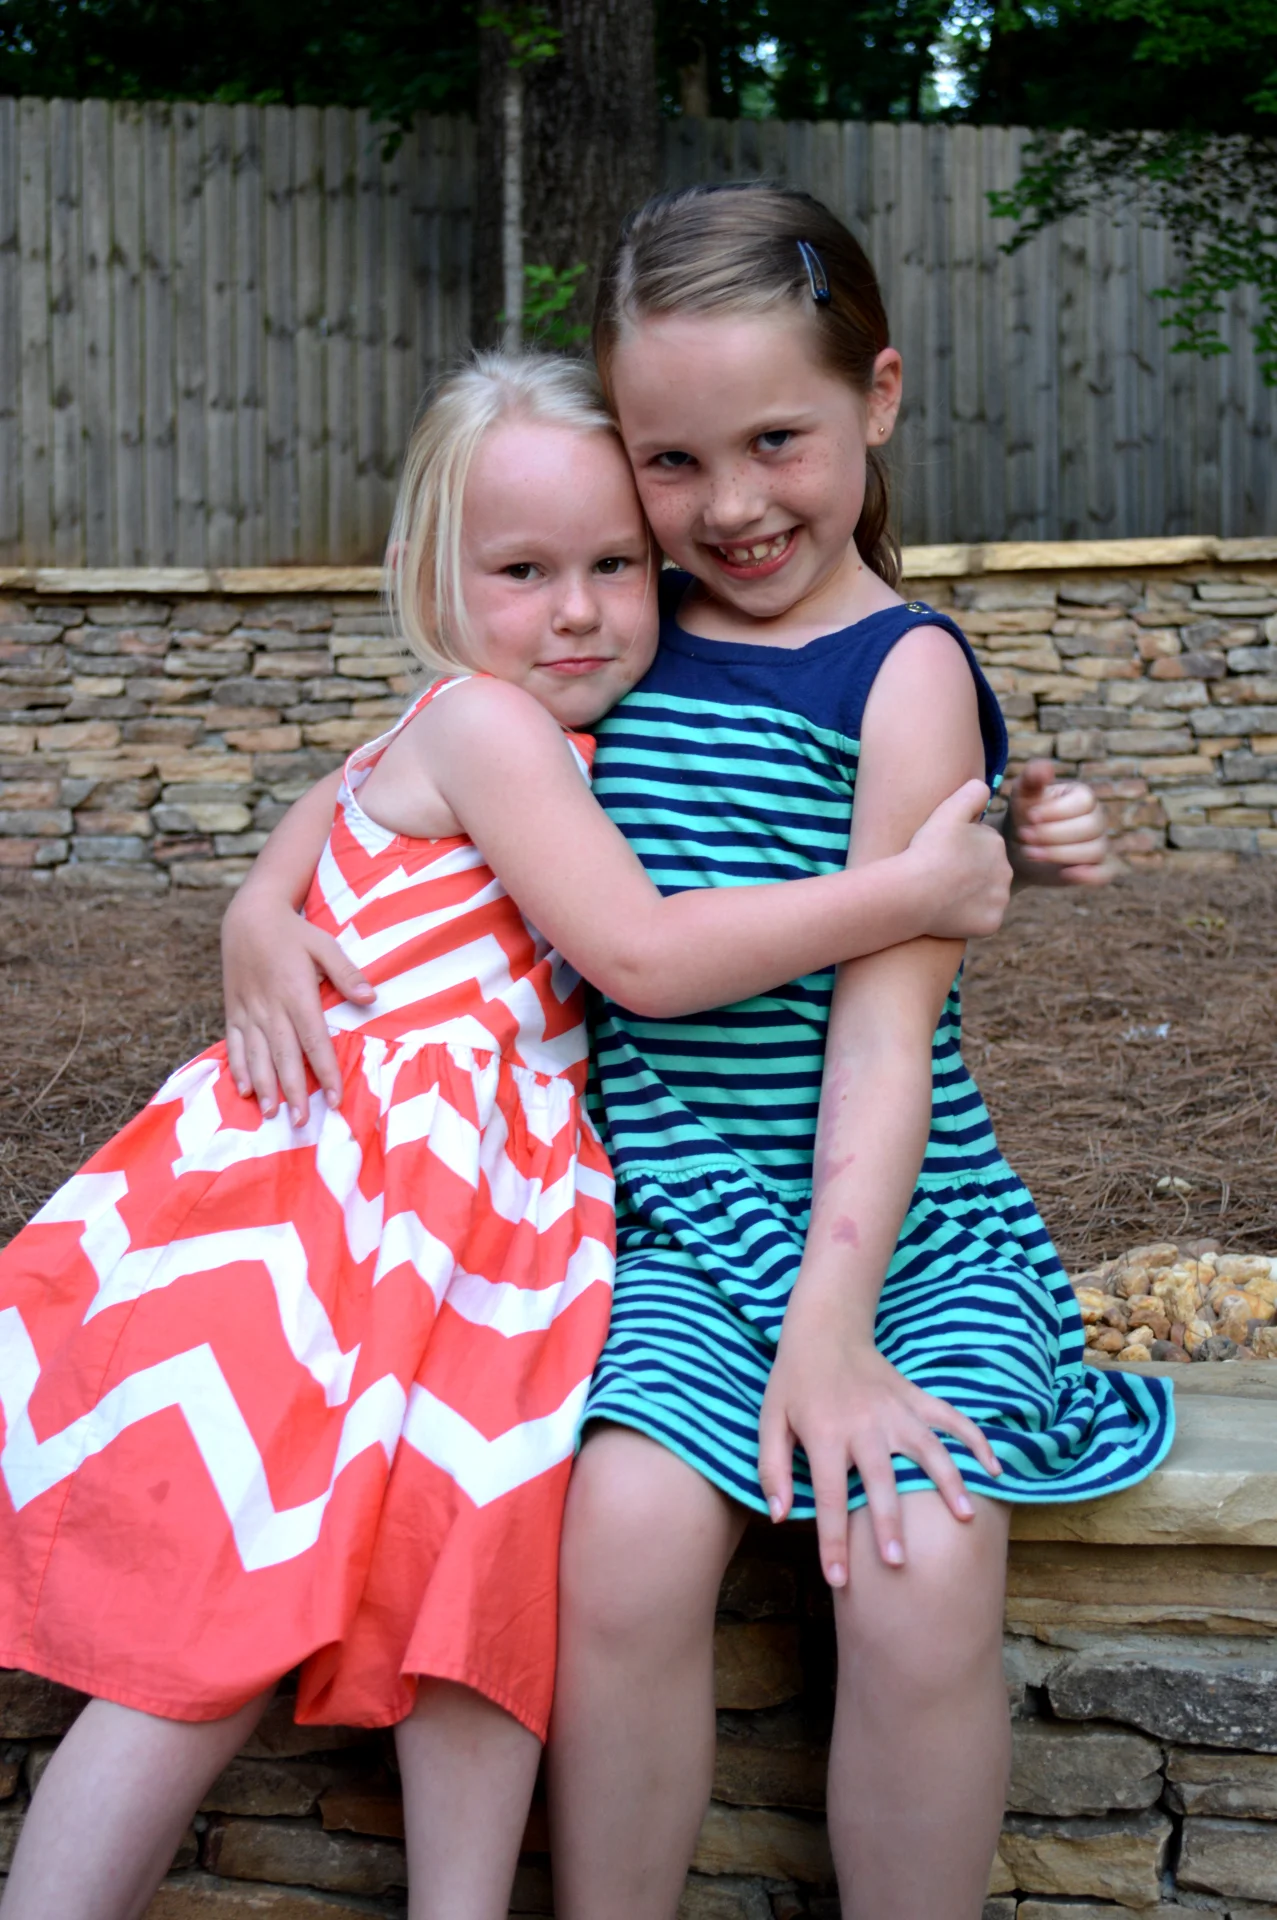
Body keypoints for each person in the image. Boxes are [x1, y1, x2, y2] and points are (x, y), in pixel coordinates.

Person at [219, 194, 1168, 1920]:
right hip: (665, 1229)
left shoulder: (903, 677)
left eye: (777, 442)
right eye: (673, 461)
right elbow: (413, 753)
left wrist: (831, 1329)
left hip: (904, 1236)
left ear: (879, 397)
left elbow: (884, 1034)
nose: (730, 506)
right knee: (622, 1543)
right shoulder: (620, 622)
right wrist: (260, 905)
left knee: (918, 1552)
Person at [0, 353, 1015, 1920]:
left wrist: (260, 896)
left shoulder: (546, 720)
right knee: (213, 1620)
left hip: (479, 1237)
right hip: (340, 1223)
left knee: (470, 1589)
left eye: (614, 564)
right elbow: (645, 957)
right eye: (524, 573)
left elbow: (332, 803)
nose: (581, 612)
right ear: (431, 574)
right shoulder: (492, 722)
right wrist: (910, 892)